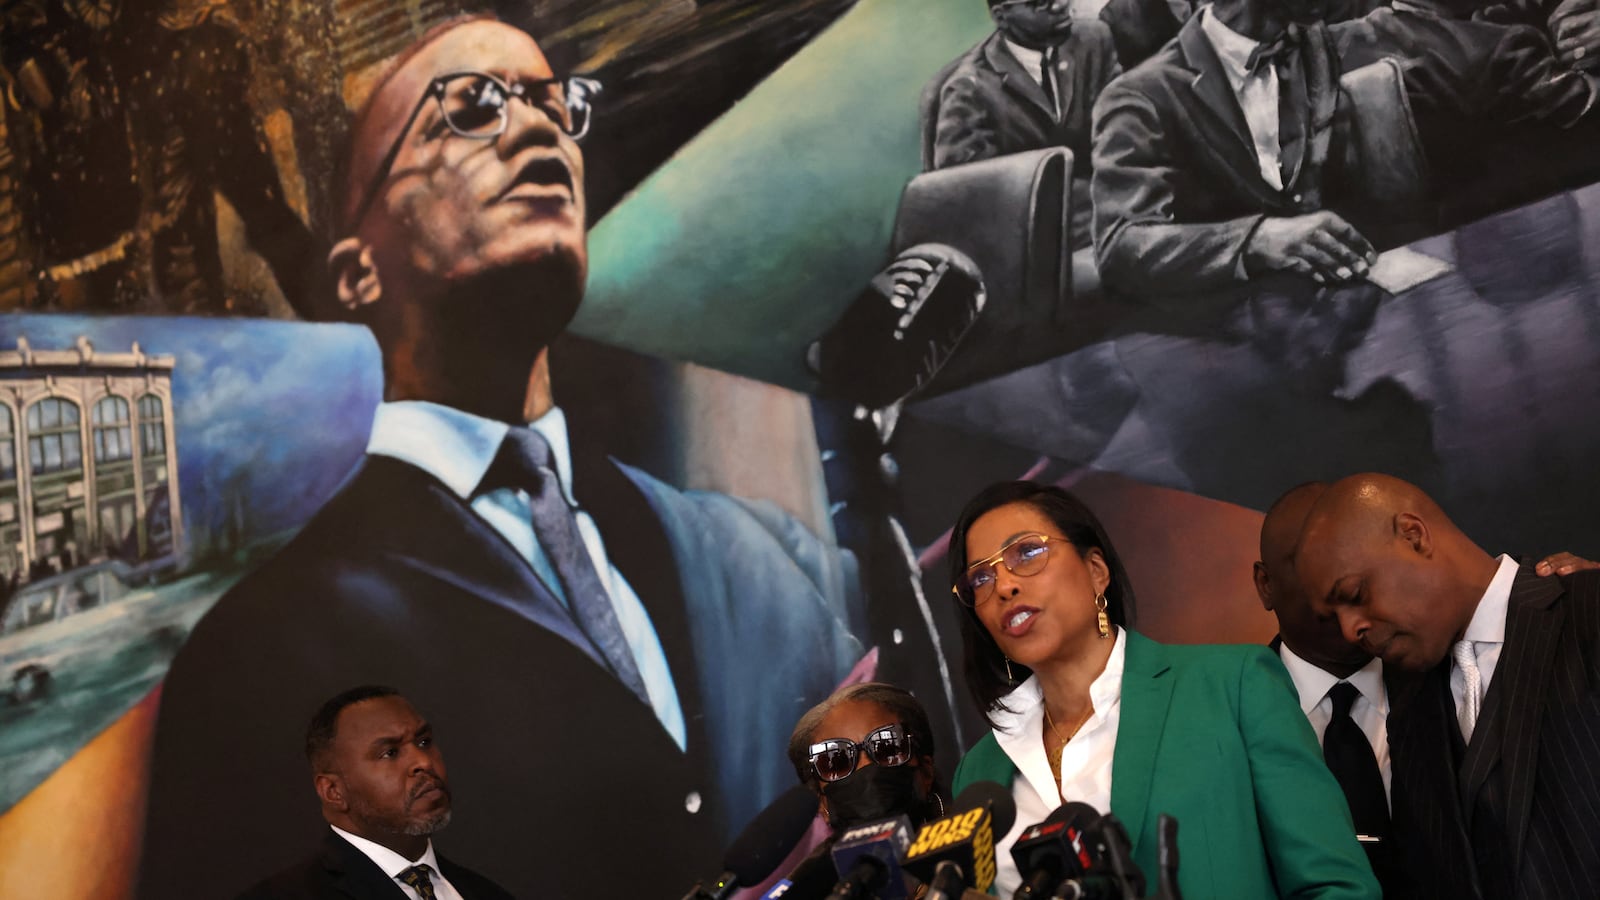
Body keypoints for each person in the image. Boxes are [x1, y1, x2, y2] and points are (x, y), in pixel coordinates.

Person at [138, 16, 863, 900]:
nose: (537, 128)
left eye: (556, 107)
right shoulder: (259, 644)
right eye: (472, 108)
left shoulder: (746, 554)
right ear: (358, 273)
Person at [948, 480, 1379, 899]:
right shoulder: (980, 771)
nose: (1004, 586)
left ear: (1096, 571)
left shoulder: (1233, 686)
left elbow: (1337, 886)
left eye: (1027, 552)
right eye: (980, 579)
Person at [1090, 0, 1597, 296]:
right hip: (1251, 336)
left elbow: (1492, 57)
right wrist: (1258, 239)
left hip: (1410, 287)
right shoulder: (1141, 94)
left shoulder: (1356, 38)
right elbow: (1122, 243)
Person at [1255, 480, 1598, 898]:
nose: (1349, 629)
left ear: (1414, 536)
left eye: (1355, 594)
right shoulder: (1412, 688)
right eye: (1334, 612)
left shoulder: (1584, 608)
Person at [237, 686, 515, 900]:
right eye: (390, 752)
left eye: (424, 741)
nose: (424, 762)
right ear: (333, 791)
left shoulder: (486, 893)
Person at [924, 0, 1121, 246]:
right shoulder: (969, 90)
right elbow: (968, 195)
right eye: (1040, 3)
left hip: (1109, 212)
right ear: (1001, 17)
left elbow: (1120, 129)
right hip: (1032, 238)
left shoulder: (1093, 40)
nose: (1060, 5)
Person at [783, 682, 990, 899]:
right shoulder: (806, 889)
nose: (866, 768)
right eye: (837, 761)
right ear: (822, 803)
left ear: (926, 771)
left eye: (887, 747)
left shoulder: (976, 860)